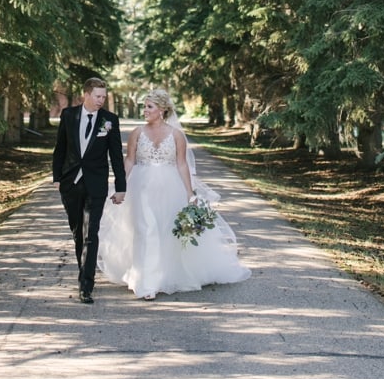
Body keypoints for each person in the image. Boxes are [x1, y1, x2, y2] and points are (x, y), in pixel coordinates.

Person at [97, 89, 250, 299]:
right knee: (146, 230)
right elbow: (130, 160)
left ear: (162, 110)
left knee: (167, 231)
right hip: (141, 187)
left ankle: (166, 275)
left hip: (171, 188)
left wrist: (190, 193)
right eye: (144, 106)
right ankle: (146, 282)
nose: (145, 111)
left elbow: (182, 164)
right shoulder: (137, 133)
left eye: (149, 107)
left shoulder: (176, 135)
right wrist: (120, 187)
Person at [52, 77, 127, 304]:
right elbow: (60, 149)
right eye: (97, 96)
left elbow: (115, 156)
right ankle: (84, 271)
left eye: (104, 97)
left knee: (90, 234)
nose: (101, 101)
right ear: (86, 95)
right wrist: (57, 177)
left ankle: (86, 286)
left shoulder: (109, 120)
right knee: (78, 234)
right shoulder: (68, 115)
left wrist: (121, 187)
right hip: (70, 184)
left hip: (96, 185)